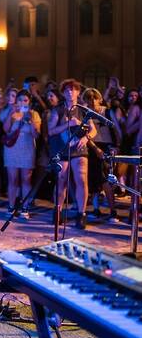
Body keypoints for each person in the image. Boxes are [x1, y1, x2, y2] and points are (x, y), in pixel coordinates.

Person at [48, 79, 97, 229]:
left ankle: (81, 214)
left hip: (80, 149)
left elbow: (93, 130)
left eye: (74, 89)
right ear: (63, 93)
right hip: (62, 149)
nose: (71, 92)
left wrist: (85, 137)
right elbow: (51, 131)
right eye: (68, 90)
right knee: (61, 180)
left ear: (78, 92)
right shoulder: (58, 110)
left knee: (81, 179)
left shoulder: (83, 110)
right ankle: (58, 211)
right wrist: (69, 124)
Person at [83, 88, 121, 223]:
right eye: (89, 98)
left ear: (100, 99)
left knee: (106, 179)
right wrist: (94, 148)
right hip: (91, 147)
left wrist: (116, 146)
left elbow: (116, 130)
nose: (92, 101)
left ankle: (113, 211)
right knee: (93, 178)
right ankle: (96, 209)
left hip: (106, 146)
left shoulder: (107, 112)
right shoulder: (85, 112)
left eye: (94, 97)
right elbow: (85, 134)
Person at [3, 90, 42, 219]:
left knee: (26, 179)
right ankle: (11, 206)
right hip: (12, 149)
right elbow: (5, 129)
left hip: (27, 148)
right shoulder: (12, 113)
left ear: (29, 102)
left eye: (25, 100)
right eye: (20, 100)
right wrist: (11, 114)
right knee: (12, 179)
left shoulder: (34, 114)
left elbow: (36, 134)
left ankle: (25, 207)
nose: (22, 102)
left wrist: (30, 120)